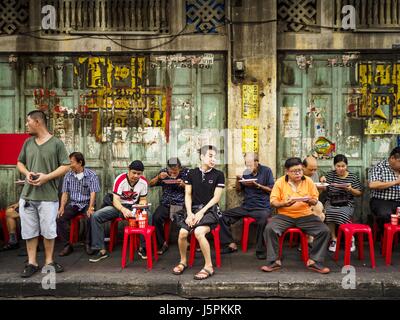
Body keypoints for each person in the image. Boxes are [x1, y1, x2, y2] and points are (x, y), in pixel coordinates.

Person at [17, 110, 70, 278]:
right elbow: (20, 162)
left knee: (48, 231)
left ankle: (49, 261)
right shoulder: (28, 143)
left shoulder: (56, 143)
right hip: (27, 196)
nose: (26, 125)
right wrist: (26, 173)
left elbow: (65, 165)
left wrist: (47, 177)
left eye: (28, 121)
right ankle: (32, 262)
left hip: (48, 197)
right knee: (29, 231)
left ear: (38, 122)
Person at [261, 157, 331, 274]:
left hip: (305, 215)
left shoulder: (308, 181)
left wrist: (309, 200)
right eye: (294, 171)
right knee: (270, 229)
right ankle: (274, 262)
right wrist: (284, 203)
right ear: (287, 171)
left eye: (300, 170)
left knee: (324, 231)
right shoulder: (280, 182)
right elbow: (273, 202)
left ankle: (314, 261)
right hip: (284, 215)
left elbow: (315, 200)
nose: (298, 173)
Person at [172, 145, 225, 280]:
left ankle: (208, 266)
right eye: (210, 156)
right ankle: (183, 261)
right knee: (183, 233)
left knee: (198, 232)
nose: (214, 159)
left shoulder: (219, 175)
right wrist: (189, 213)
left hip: (210, 210)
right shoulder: (191, 173)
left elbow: (216, 198)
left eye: (215, 156)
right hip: (193, 209)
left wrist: (201, 212)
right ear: (202, 157)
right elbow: (188, 194)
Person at [89, 160, 148, 263]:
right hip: (118, 206)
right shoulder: (120, 179)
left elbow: (143, 198)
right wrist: (123, 209)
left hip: (134, 207)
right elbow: (115, 200)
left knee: (148, 215)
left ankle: (143, 247)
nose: (136, 175)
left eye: (139, 174)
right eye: (134, 172)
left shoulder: (143, 182)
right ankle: (100, 249)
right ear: (128, 170)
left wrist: (141, 205)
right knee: (96, 216)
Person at [219, 152, 274, 259]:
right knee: (222, 215)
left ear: (257, 162)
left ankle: (260, 249)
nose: (248, 166)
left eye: (250, 163)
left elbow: (271, 189)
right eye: (246, 163)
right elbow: (239, 190)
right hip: (246, 207)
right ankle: (231, 244)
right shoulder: (246, 172)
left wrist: (257, 185)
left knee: (263, 220)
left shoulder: (266, 171)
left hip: (261, 207)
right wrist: (238, 179)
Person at [57, 152, 100, 257]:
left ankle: (88, 243)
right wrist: (62, 207)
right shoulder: (68, 175)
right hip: (74, 204)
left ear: (80, 162)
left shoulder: (91, 175)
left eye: (71, 162)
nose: (70, 165)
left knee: (90, 217)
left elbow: (93, 193)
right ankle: (68, 245)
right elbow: (65, 193)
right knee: (60, 218)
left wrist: (91, 207)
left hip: (86, 203)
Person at [322, 154, 362, 253]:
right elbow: (324, 186)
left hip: (346, 202)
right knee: (328, 212)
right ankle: (334, 239)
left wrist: (350, 189)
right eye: (338, 166)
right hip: (331, 201)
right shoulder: (330, 175)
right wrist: (322, 180)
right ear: (334, 166)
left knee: (343, 213)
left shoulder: (352, 177)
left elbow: (359, 193)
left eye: (343, 166)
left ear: (347, 166)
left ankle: (350, 238)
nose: (341, 168)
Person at [149, 157, 189, 255]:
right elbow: (150, 184)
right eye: (170, 172)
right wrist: (158, 177)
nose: (172, 174)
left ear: (179, 168)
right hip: (166, 204)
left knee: (189, 219)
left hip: (181, 205)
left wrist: (183, 184)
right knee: (156, 217)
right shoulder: (164, 172)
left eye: (175, 172)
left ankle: (190, 243)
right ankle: (162, 243)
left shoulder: (187, 173)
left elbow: (193, 188)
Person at [369, 147, 400, 240]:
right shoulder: (379, 167)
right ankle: (386, 238)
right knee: (385, 215)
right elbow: (372, 184)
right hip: (381, 200)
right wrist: (395, 182)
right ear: (392, 158)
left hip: (398, 201)